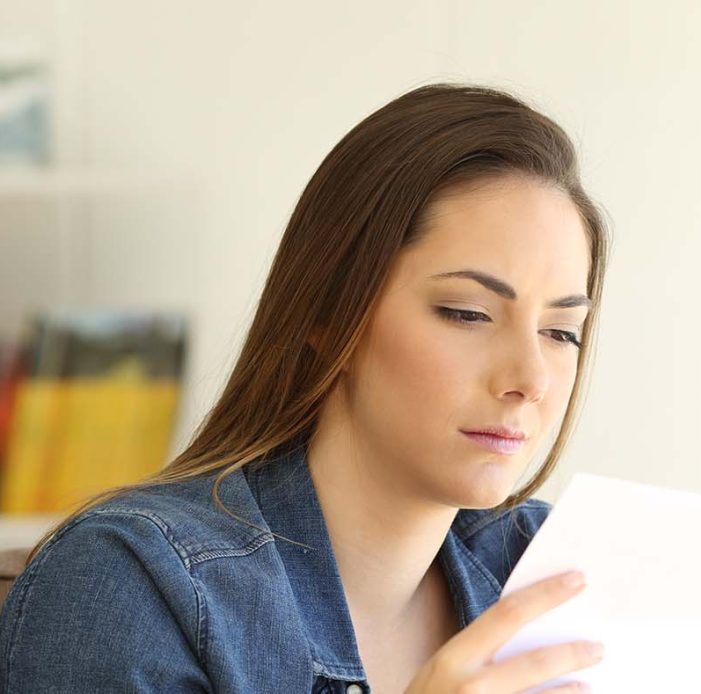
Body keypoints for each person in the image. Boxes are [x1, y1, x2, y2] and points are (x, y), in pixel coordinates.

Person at [0, 82, 611, 693]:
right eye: (467, 313)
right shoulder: (131, 583)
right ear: (329, 311)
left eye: (561, 333)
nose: (530, 380)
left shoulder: (547, 566)